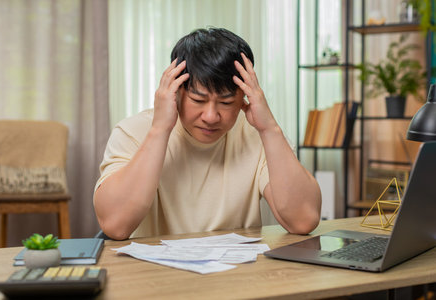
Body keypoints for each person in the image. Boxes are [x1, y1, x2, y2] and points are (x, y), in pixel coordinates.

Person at [94, 28, 321, 240]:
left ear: (244, 95)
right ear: (174, 91)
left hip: (238, 276)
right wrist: (159, 130)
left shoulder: (257, 134)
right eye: (198, 100)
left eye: (226, 101)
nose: (211, 116)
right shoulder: (134, 132)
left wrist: (270, 129)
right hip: (157, 278)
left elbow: (302, 221)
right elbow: (115, 224)